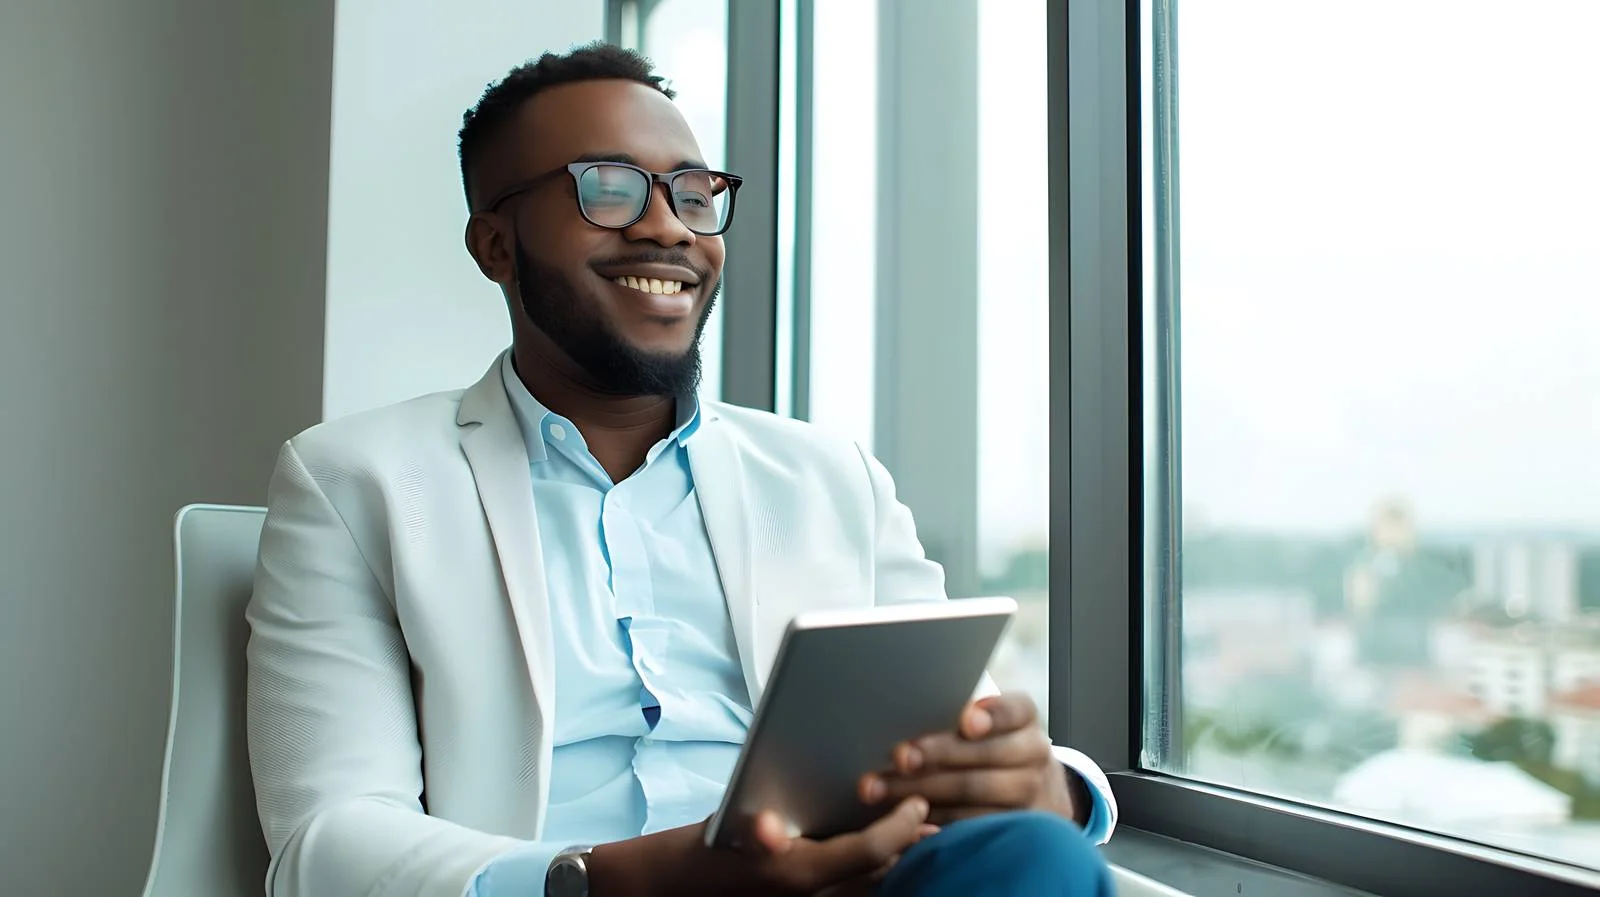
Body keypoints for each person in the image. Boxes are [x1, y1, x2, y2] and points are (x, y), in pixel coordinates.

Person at [245, 43, 1117, 897]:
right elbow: (327, 846)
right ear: (495, 246)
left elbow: (969, 733)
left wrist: (1047, 786)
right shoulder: (355, 483)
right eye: (608, 188)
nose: (667, 226)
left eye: (694, 194)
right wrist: (629, 877)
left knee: (1041, 862)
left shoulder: (830, 478)